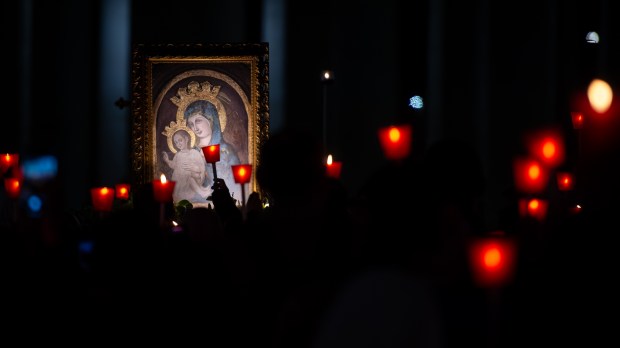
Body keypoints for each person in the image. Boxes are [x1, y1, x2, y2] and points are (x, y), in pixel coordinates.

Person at [185, 100, 242, 203]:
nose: (195, 128)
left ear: (211, 120)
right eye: (191, 124)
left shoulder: (226, 151)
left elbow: (235, 186)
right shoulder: (192, 152)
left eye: (198, 121)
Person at [161, 129, 210, 203]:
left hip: (192, 181)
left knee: (191, 179)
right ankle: (201, 191)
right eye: (176, 142)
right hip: (180, 184)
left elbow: (201, 168)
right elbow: (174, 165)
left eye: (180, 140)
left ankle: (202, 191)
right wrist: (167, 160)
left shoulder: (194, 153)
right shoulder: (178, 155)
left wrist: (194, 168)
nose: (178, 144)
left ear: (186, 139)